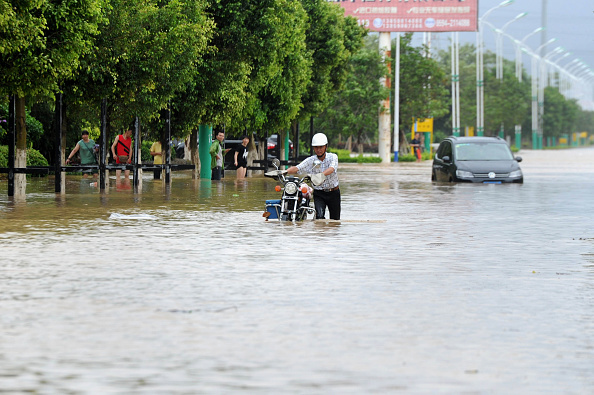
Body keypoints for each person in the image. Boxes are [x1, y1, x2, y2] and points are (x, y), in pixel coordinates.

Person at [287, 132, 340, 220]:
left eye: (321, 147)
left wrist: (321, 175)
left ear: (326, 147)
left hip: (333, 193)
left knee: (335, 220)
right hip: (319, 193)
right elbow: (297, 168)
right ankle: (320, 233)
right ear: (313, 148)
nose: (318, 150)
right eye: (316, 147)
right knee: (319, 217)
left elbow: (332, 168)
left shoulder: (333, 157)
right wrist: (284, 172)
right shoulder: (310, 160)